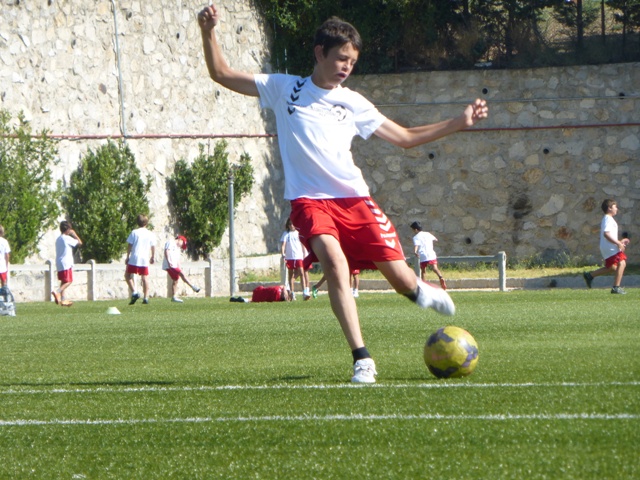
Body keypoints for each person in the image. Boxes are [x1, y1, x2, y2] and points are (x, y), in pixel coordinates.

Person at [198, 6, 488, 383]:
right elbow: (221, 73)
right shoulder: (285, 88)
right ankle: (362, 358)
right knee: (334, 264)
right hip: (309, 202)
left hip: (355, 201)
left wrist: (458, 123)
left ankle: (418, 290)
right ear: (319, 52)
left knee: (401, 280)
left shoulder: (353, 102)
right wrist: (208, 31)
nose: (346, 67)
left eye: (352, 62)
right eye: (340, 59)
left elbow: (404, 138)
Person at [583, 199, 629, 294]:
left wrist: (620, 242)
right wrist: (618, 243)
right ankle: (616, 287)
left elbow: (609, 235)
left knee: (612, 267)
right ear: (609, 208)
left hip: (607, 247)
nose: (617, 209)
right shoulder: (608, 219)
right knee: (622, 263)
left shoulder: (607, 219)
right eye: (615, 207)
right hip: (610, 247)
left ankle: (590, 276)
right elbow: (606, 234)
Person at [125, 214, 156, 305]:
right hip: (144, 258)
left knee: (127, 275)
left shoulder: (134, 232)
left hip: (135, 257)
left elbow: (130, 245)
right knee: (144, 278)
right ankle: (146, 297)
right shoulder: (150, 234)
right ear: (146, 223)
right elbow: (153, 246)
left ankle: (134, 292)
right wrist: (153, 256)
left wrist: (127, 256)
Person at [162, 234, 201, 303]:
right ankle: (193, 286)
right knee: (182, 274)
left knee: (176, 280)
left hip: (174, 265)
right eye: (182, 244)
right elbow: (166, 251)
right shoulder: (170, 242)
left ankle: (174, 297)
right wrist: (169, 261)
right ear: (180, 239)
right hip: (170, 265)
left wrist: (179, 267)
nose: (181, 246)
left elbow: (177, 260)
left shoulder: (177, 249)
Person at [52, 220, 82, 307]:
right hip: (66, 262)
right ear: (68, 229)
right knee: (69, 281)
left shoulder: (58, 239)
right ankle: (57, 292)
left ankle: (63, 299)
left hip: (59, 262)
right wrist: (74, 234)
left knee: (63, 281)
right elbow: (80, 243)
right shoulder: (66, 238)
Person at [411, 221, 447, 289]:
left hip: (423, 254)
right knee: (435, 268)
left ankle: (424, 285)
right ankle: (441, 277)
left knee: (423, 271)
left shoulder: (416, 237)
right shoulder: (428, 234)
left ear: (415, 229)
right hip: (431, 253)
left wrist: (415, 251)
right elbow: (436, 239)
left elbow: (416, 245)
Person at [280, 218, 310, 300]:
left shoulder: (298, 233)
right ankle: (292, 293)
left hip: (298, 256)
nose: (291, 226)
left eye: (293, 224)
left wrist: (304, 254)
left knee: (301, 273)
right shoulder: (286, 234)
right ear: (288, 225)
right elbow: (283, 245)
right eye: (290, 224)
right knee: (290, 274)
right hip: (290, 257)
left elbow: (302, 244)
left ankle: (304, 292)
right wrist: (283, 254)